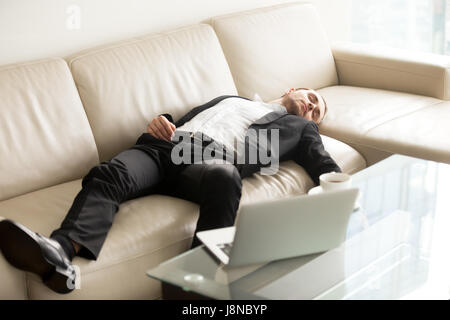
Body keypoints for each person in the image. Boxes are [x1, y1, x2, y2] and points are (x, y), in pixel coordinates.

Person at [0, 88, 341, 294]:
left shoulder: (300, 127)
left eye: (317, 110)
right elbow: (187, 120)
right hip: (163, 147)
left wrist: (340, 193)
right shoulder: (231, 97)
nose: (311, 106)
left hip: (208, 162)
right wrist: (160, 121)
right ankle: (59, 253)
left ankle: (195, 285)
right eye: (311, 98)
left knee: (225, 178)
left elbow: (322, 162)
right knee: (110, 173)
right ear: (293, 88)